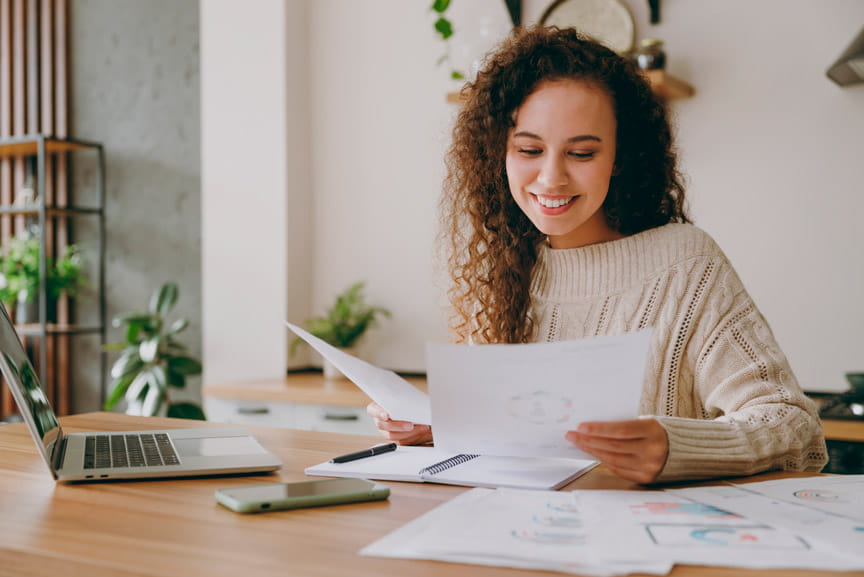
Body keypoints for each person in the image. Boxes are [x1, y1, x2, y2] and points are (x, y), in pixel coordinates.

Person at [367, 25, 827, 484]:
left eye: (582, 153)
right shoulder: (504, 269)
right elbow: (516, 441)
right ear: (498, 154)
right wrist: (444, 428)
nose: (551, 179)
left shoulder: (687, 266)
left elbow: (795, 427)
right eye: (529, 149)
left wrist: (676, 447)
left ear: (619, 157)